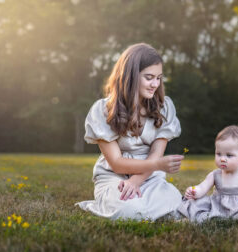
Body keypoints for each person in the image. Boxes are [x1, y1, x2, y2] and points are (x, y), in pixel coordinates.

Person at [76, 43, 184, 221]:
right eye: (149, 77)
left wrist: (136, 181)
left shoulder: (164, 107)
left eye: (159, 78)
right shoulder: (103, 110)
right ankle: (118, 205)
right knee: (129, 211)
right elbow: (117, 163)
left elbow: (155, 155)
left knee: (175, 203)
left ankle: (147, 205)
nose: (155, 84)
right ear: (131, 76)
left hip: (149, 177)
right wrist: (157, 165)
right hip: (113, 176)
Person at [178, 125, 238, 222]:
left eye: (229, 155)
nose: (222, 159)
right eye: (218, 154)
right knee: (200, 209)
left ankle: (236, 219)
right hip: (216, 210)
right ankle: (205, 219)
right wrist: (195, 191)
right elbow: (203, 187)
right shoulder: (215, 175)